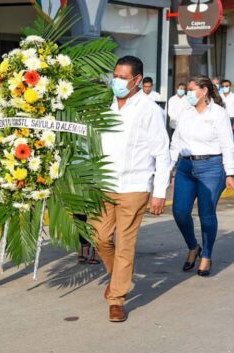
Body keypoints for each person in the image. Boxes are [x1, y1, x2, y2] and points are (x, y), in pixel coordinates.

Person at [91, 56, 171, 322]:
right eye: (115, 75)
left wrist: (159, 192)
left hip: (135, 186)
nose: (117, 81)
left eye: (123, 77)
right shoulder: (105, 107)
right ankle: (118, 280)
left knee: (126, 244)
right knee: (99, 238)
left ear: (137, 80)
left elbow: (162, 154)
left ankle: (117, 299)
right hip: (104, 184)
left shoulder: (150, 111)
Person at [170, 76, 234, 278]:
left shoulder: (218, 114)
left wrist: (230, 173)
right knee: (180, 212)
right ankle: (193, 246)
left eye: (193, 90)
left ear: (204, 91)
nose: (189, 94)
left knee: (206, 213)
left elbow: (228, 144)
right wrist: (169, 166)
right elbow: (176, 141)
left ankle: (207, 255)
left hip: (211, 167)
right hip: (185, 166)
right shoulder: (185, 112)